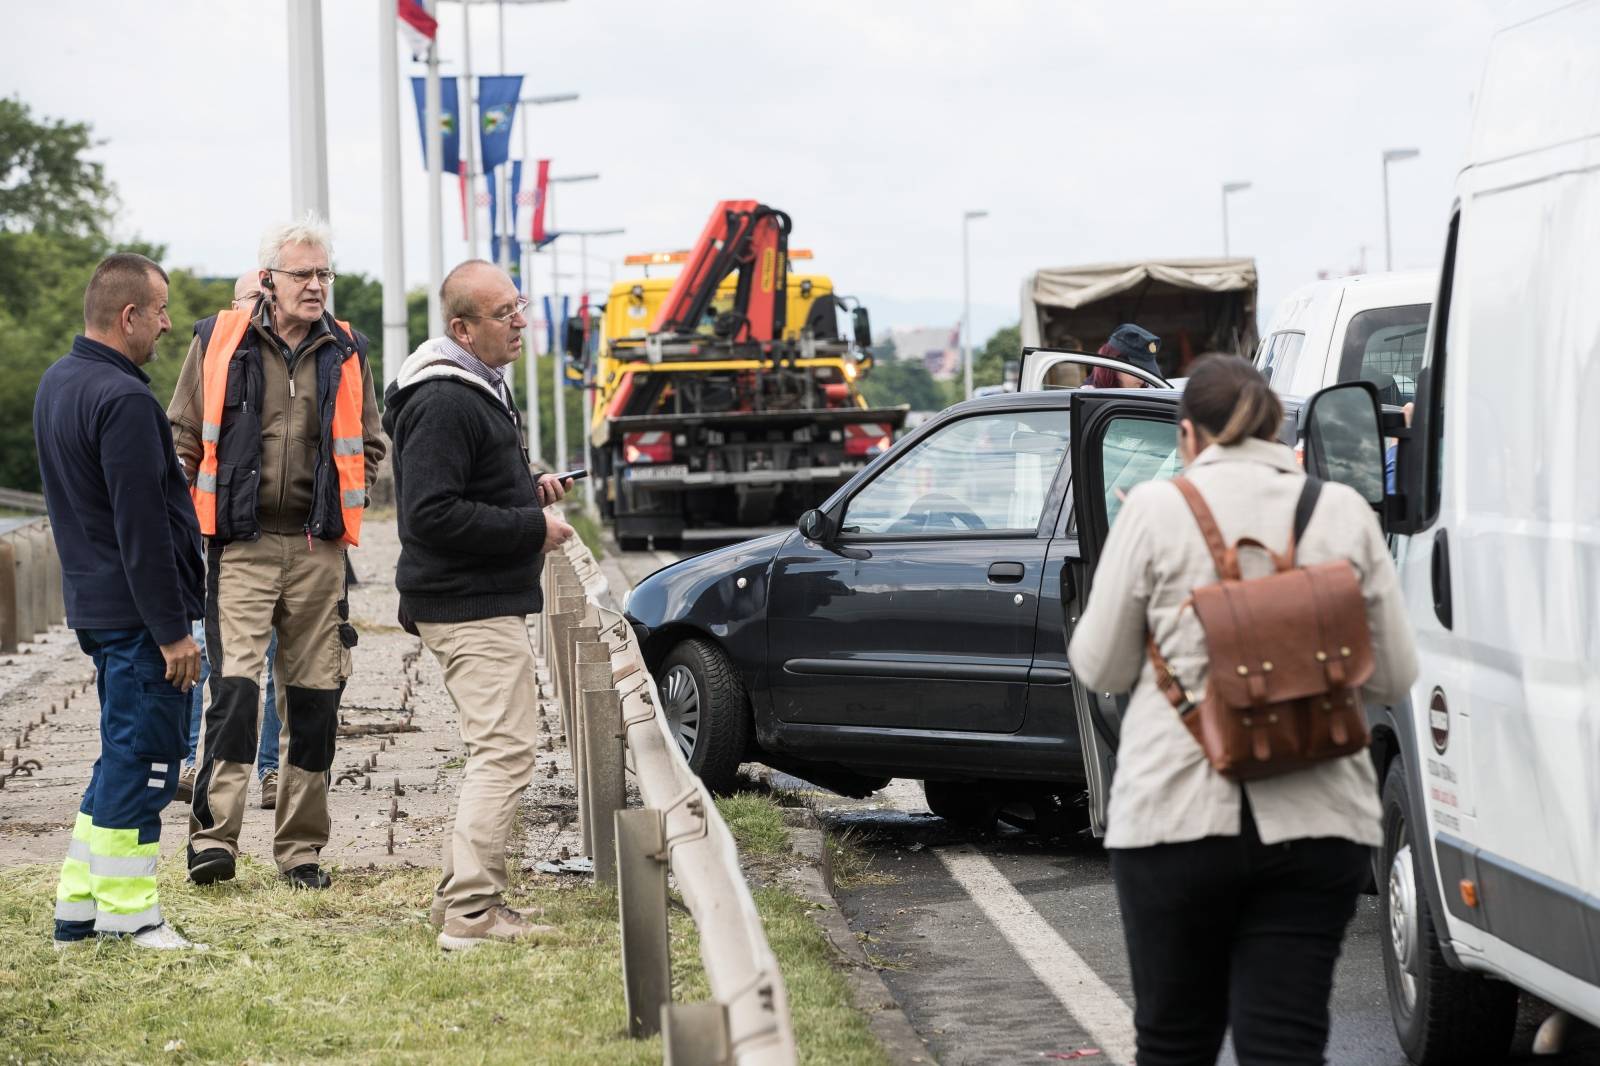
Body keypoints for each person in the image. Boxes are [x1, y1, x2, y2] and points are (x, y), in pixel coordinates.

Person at [1067, 355, 1418, 1064]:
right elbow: (1394, 675)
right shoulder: (1342, 510)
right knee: (1285, 1043)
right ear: (1275, 428)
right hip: (1318, 819)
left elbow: (1100, 665)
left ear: (1188, 437)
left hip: (1175, 818)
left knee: (1175, 1040)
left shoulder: (1157, 510)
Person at [168, 215, 386, 890]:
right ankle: (214, 842)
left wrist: (354, 490)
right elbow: (180, 437)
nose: (316, 286)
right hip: (242, 547)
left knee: (315, 700)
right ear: (269, 280)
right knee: (234, 694)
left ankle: (300, 852)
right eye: (303, 275)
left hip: (320, 550)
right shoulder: (218, 338)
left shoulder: (347, 349)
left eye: (324, 274)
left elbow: (371, 443)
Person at [382, 260, 574, 951]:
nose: (519, 323)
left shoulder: (473, 388)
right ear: (462, 328)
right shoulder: (446, 399)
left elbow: (470, 483)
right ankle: (471, 916)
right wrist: (532, 528)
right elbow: (430, 513)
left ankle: (456, 901)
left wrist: (529, 490)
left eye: (519, 308)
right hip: (466, 604)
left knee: (498, 751)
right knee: (505, 754)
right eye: (503, 314)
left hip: (473, 597)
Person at [34, 253, 207, 950]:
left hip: (98, 608)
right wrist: (173, 633)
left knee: (118, 757)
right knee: (148, 765)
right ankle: (133, 915)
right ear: (128, 315)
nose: (168, 325)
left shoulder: (59, 382)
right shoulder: (127, 400)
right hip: (141, 621)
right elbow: (142, 529)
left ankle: (78, 907)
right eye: (160, 310)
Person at [176, 274, 281, 810]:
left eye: (267, 297)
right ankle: (193, 764)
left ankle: (268, 772)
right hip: (215, 534)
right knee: (206, 652)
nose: (260, 307)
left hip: (285, 540)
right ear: (232, 305)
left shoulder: (295, 358)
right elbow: (184, 433)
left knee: (273, 663)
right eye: (250, 298)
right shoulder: (214, 348)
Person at [1087, 323, 1163, 388]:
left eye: (1147, 370)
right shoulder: (1089, 398)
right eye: (1137, 369)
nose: (1144, 379)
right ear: (1115, 366)